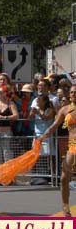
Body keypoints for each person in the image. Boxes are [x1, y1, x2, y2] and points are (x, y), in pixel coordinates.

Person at [38, 85, 76, 216]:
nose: (73, 94)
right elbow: (54, 126)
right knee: (64, 178)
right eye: (71, 92)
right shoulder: (65, 110)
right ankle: (65, 206)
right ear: (69, 95)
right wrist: (43, 137)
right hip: (73, 146)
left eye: (75, 92)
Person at [0, 85, 18, 170]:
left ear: (5, 93)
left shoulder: (10, 103)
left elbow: (16, 116)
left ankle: (8, 177)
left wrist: (5, 117)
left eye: (0, 92)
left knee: (7, 156)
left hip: (6, 133)